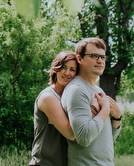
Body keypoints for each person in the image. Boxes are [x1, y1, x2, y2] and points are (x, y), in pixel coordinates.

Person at [30, 51, 100, 166]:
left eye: (72, 70)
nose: (67, 73)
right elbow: (71, 134)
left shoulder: (72, 98)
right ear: (55, 69)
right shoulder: (48, 97)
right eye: (63, 67)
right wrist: (94, 108)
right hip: (45, 163)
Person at [61, 37, 123, 166]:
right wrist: (105, 110)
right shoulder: (77, 90)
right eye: (94, 56)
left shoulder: (99, 90)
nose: (100, 61)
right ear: (79, 59)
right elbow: (84, 138)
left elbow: (104, 139)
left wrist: (117, 118)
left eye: (102, 57)